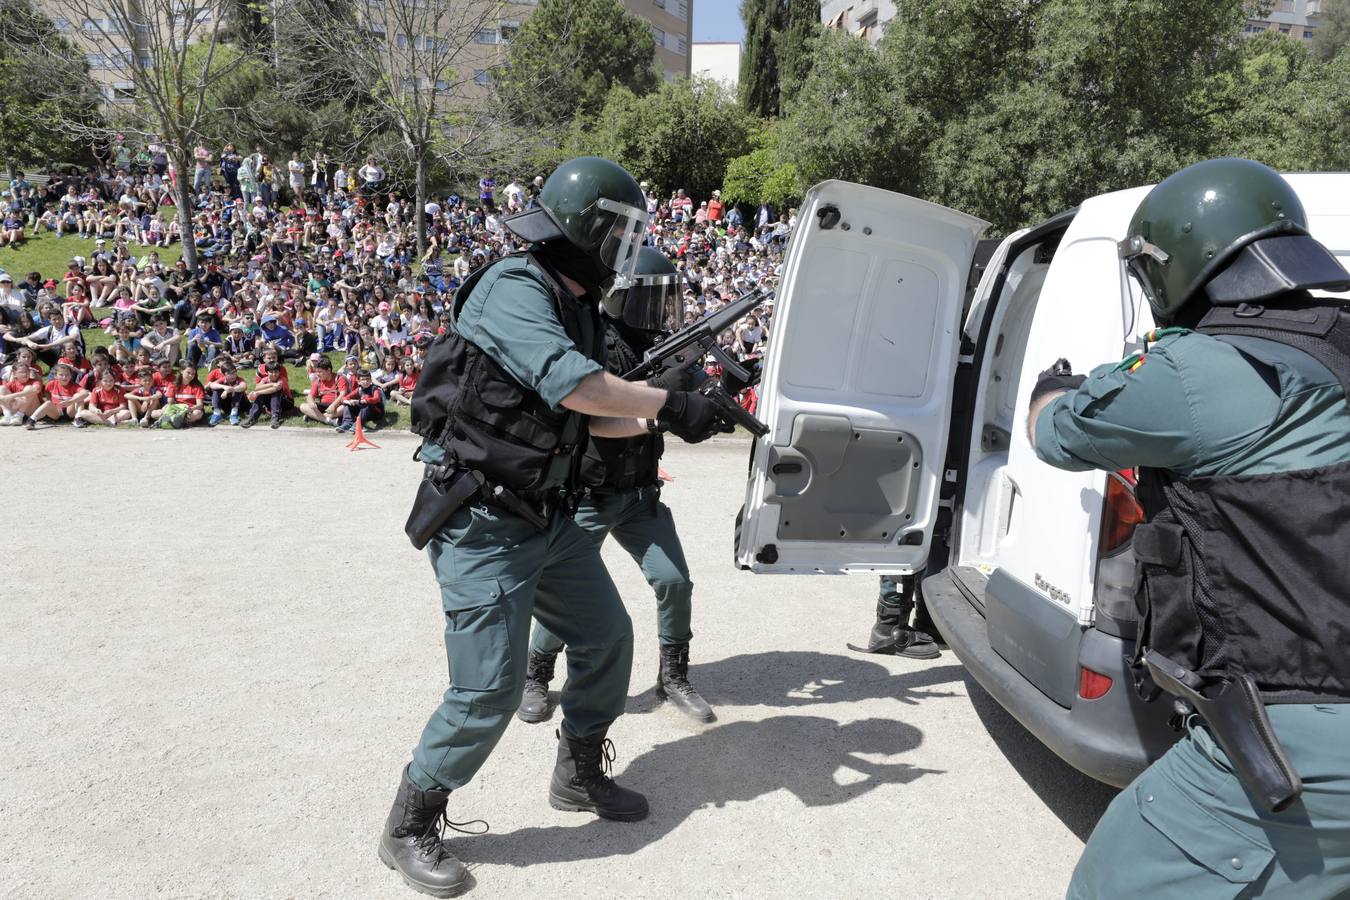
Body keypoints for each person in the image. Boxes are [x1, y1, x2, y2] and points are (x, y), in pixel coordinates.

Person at [379, 156, 731, 898]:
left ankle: (576, 773)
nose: (631, 250)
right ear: (589, 230)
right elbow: (573, 384)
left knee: (606, 637)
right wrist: (662, 404)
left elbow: (595, 424)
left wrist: (682, 412)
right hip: (482, 520)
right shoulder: (514, 287)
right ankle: (411, 822)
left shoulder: (576, 301)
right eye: (623, 233)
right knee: (487, 693)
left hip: (548, 515)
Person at [1027, 159, 1350, 898]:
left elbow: (1058, 435)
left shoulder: (1197, 371)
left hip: (1299, 733)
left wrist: (1054, 388)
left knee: (1111, 882)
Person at [518, 247, 715, 725]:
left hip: (641, 494)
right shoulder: (594, 343)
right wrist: (660, 407)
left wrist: (707, 396)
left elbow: (693, 395)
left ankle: (673, 676)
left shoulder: (663, 345)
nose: (662, 310)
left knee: (674, 581)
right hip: (590, 494)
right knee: (569, 593)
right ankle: (536, 677)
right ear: (622, 296)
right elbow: (595, 419)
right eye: (653, 298)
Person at [242, 347, 290, 429]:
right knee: (262, 394)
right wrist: (270, 385)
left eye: (274, 358)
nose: (271, 360)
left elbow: (276, 388)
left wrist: (259, 392)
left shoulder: (281, 373)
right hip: (269, 394)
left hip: (285, 401)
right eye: (269, 358)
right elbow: (257, 387)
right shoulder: (263, 373)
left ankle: (275, 417)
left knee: (275, 392)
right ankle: (252, 417)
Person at [205, 358, 247, 426]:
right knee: (216, 389)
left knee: (238, 389)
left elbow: (244, 386)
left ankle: (234, 414)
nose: (233, 375)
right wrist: (224, 387)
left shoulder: (239, 379)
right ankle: (217, 414)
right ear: (224, 374)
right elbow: (212, 385)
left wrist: (229, 390)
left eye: (234, 373)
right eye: (229, 374)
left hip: (242, 405)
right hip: (227, 406)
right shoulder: (223, 380)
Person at [0, 361, 43, 425]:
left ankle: (19, 415)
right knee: (2, 388)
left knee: (29, 388)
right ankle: (7, 415)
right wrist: (4, 397)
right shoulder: (13, 383)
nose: (24, 374)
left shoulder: (34, 381)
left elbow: (35, 390)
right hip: (17, 409)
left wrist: (12, 396)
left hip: (31, 411)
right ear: (14, 374)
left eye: (26, 372)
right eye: (21, 372)